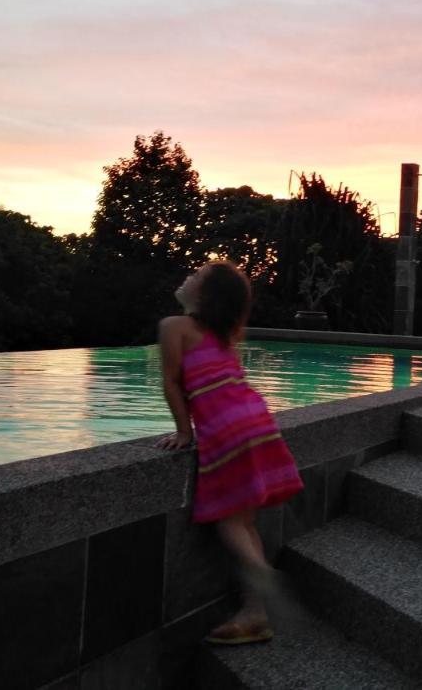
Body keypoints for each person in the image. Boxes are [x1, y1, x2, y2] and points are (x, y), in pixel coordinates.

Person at [155, 260, 303, 645]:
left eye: (196, 276)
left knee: (227, 520)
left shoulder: (173, 326)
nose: (187, 276)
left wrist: (184, 432)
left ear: (205, 294)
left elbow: (172, 383)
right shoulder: (224, 335)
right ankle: (255, 614)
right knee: (245, 520)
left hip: (225, 426)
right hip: (255, 418)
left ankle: (261, 571)